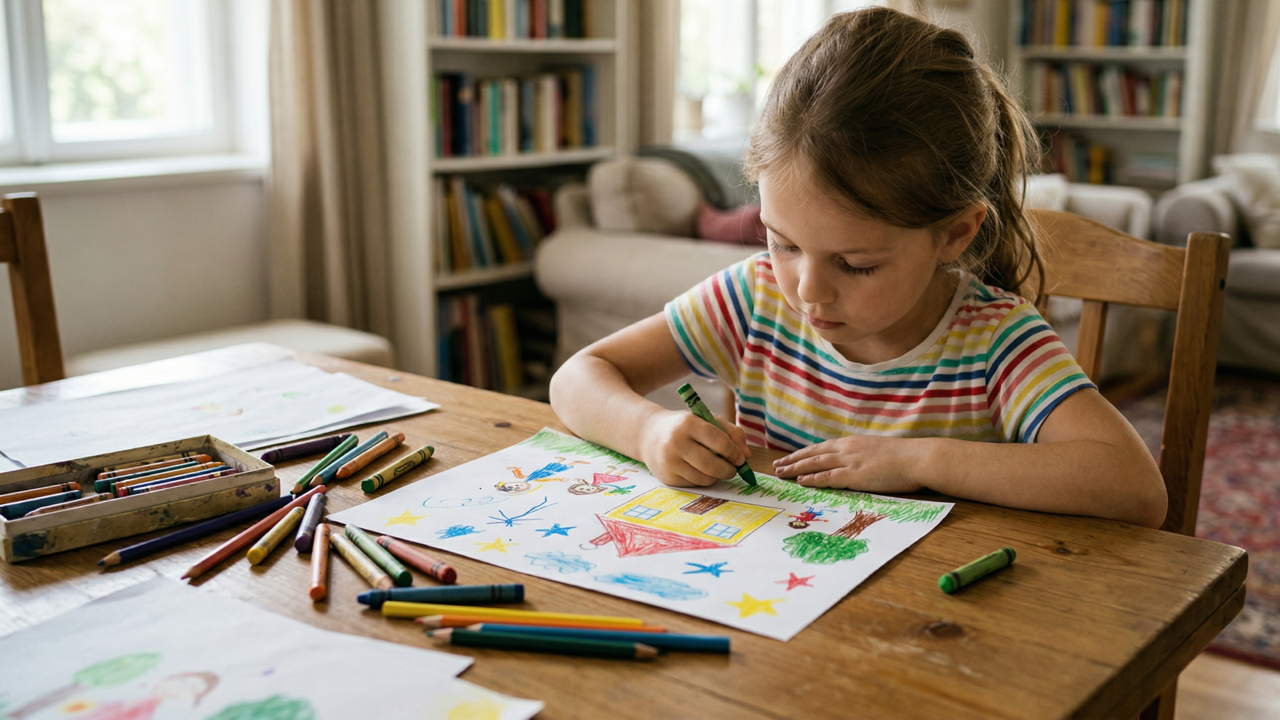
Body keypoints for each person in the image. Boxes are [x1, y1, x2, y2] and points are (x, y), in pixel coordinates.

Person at [549, 7, 1167, 528]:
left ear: (954, 234)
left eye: (856, 264)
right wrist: (649, 432)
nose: (809, 291)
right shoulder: (753, 300)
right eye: (782, 244)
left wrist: (919, 462)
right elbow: (579, 378)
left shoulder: (995, 341)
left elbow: (1135, 488)